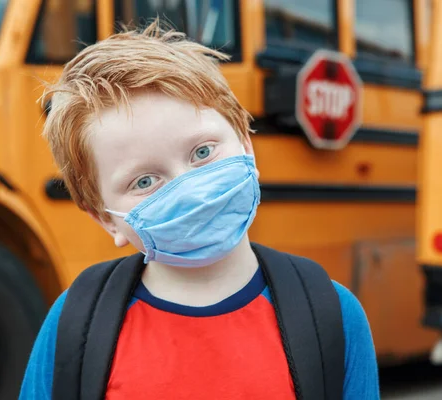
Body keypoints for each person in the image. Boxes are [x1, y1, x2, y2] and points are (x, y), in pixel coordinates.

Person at [19, 19, 379, 400]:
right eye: (144, 182)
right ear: (105, 217)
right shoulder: (75, 325)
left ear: (246, 144)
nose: (187, 190)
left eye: (202, 152)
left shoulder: (332, 315)